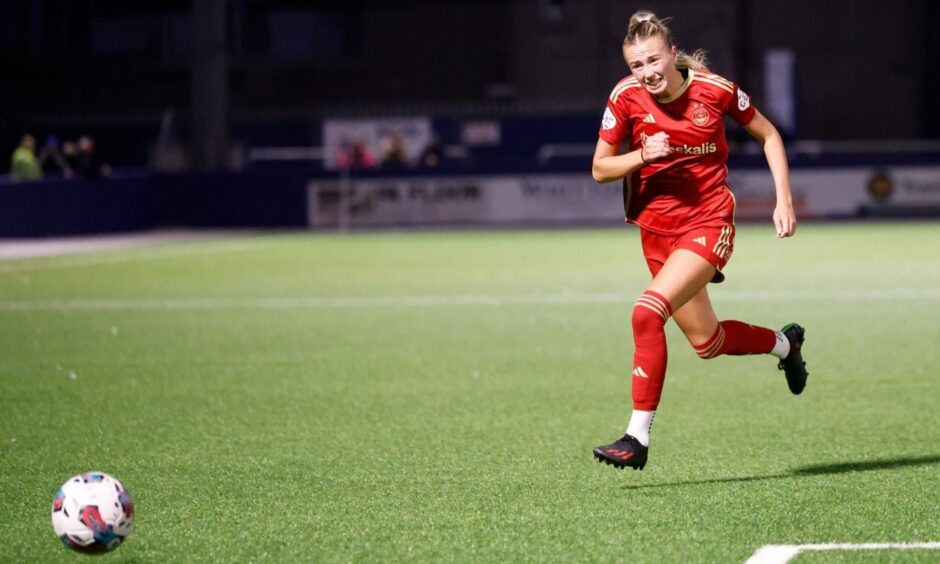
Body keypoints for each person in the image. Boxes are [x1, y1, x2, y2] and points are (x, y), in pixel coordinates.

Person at [590, 10, 808, 470]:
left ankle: (637, 437)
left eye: (653, 60)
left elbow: (768, 135)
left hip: (709, 222)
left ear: (672, 53)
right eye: (636, 65)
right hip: (656, 232)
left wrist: (782, 200)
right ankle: (786, 346)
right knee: (707, 342)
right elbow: (600, 169)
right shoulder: (625, 98)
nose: (647, 73)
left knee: (646, 313)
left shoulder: (716, 89)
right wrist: (639, 156)